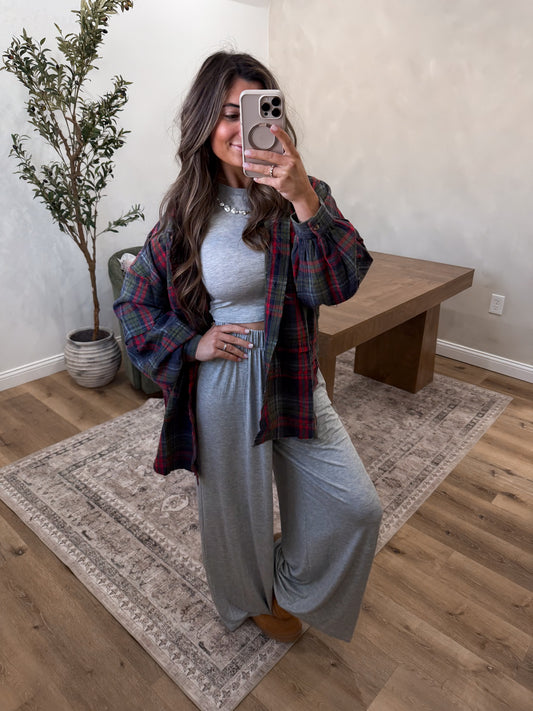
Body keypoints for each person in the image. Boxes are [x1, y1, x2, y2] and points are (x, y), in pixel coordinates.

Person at [114, 51, 382, 644]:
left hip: (293, 373)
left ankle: (290, 580)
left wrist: (303, 197)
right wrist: (193, 343)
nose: (243, 128)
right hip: (226, 382)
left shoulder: (302, 193)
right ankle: (248, 596)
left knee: (356, 507)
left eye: (259, 112)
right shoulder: (186, 212)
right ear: (205, 122)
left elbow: (339, 283)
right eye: (229, 114)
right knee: (236, 509)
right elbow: (135, 303)